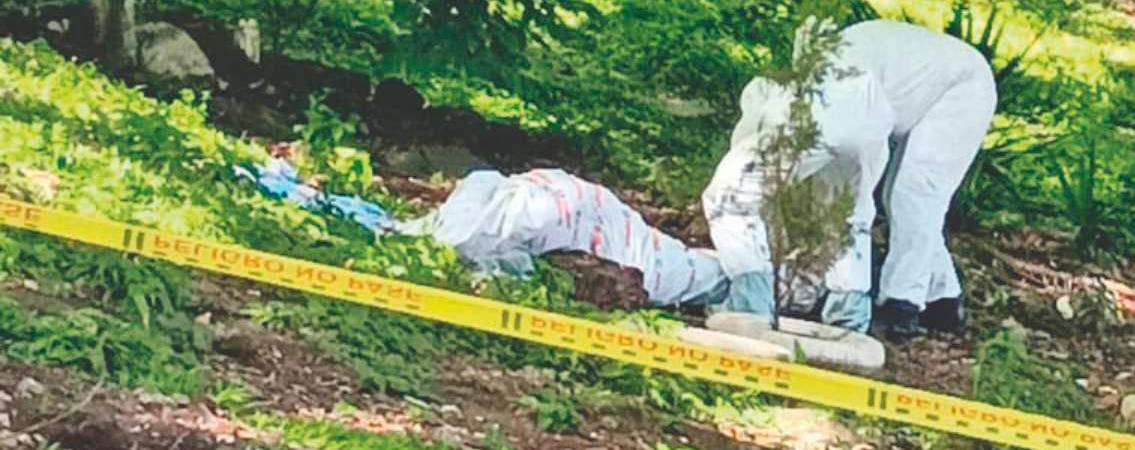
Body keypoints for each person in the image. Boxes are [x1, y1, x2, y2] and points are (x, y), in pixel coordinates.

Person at [702, 19, 997, 340]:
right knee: (857, 203)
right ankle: (939, 299)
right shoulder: (813, 89)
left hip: (961, 86)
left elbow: (744, 190)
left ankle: (902, 304)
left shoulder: (797, 109)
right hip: (876, 107)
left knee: (915, 194)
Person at [238, 156, 729, 308]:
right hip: (554, 208)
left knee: (407, 231)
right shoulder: (667, 268)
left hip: (555, 201)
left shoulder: (663, 261)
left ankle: (293, 192)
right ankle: (297, 194)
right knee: (423, 234)